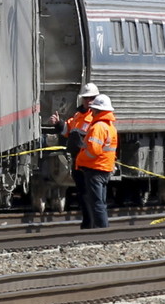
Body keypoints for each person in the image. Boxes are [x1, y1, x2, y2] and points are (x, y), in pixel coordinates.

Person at [49, 82, 99, 228]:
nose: (88, 101)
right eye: (85, 98)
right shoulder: (78, 115)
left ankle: (92, 224)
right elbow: (68, 131)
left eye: (91, 98)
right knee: (83, 194)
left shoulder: (95, 116)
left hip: (90, 162)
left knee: (90, 194)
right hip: (78, 161)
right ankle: (88, 222)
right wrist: (59, 124)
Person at [76, 94, 118, 229]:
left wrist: (81, 158)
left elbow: (93, 150)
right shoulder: (110, 127)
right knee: (101, 202)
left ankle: (101, 230)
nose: (91, 112)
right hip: (105, 168)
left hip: (95, 168)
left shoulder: (98, 127)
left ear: (97, 111)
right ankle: (102, 228)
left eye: (93, 109)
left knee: (96, 202)